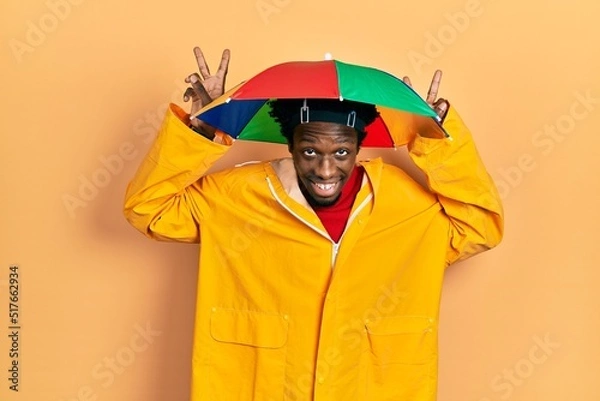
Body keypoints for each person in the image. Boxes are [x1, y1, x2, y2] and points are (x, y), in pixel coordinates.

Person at [124, 46, 504, 401]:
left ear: (358, 147)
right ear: (290, 145)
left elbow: (480, 227)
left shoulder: (404, 204)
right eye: (310, 150)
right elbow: (148, 209)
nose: (325, 169)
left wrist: (435, 140)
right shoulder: (235, 197)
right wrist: (202, 130)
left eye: (341, 151)